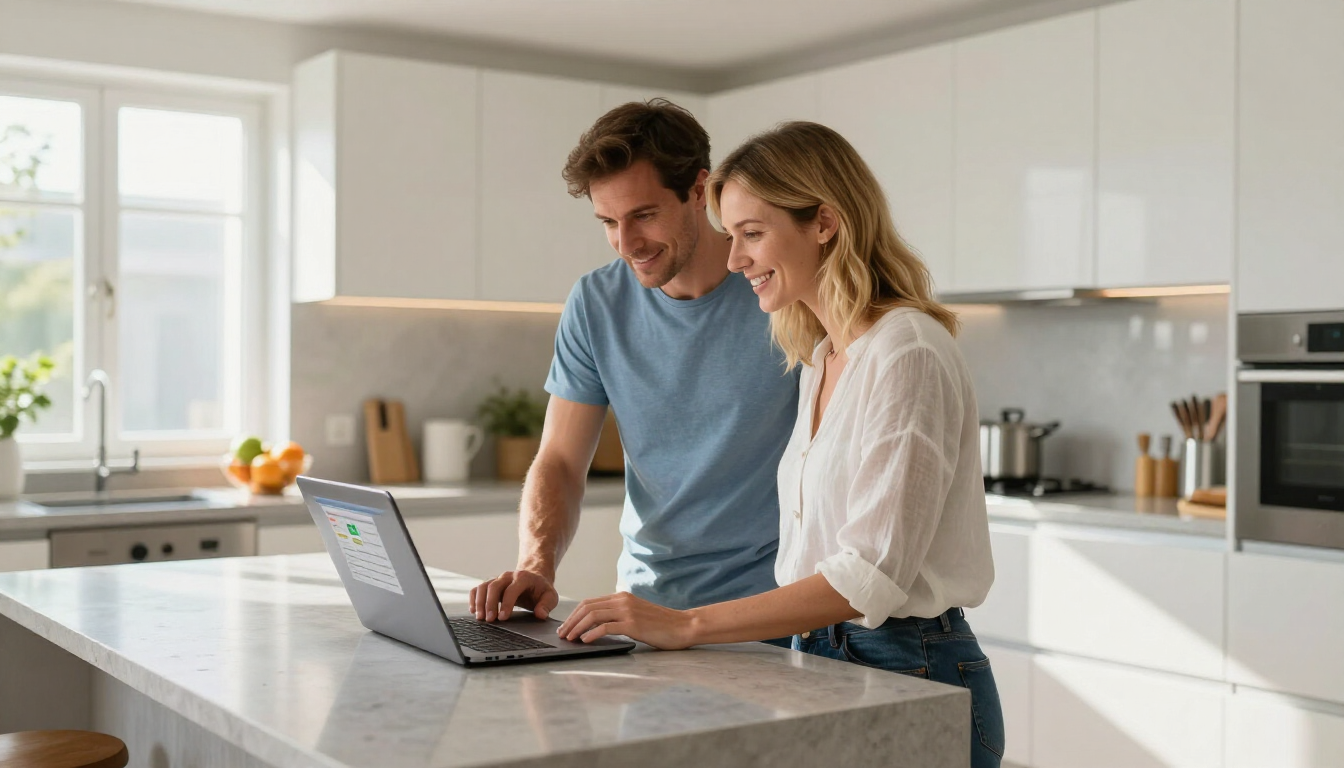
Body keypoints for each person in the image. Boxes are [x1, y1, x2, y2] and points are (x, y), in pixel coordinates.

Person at [554, 121, 1005, 767]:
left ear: (824, 222)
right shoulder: (823, 357)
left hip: (909, 666)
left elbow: (868, 577)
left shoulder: (906, 351)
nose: (736, 259)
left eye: (753, 234)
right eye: (733, 235)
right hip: (822, 659)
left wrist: (685, 624)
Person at [468, 100, 799, 640]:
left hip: (768, 616)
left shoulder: (783, 291)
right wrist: (536, 564)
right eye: (607, 222)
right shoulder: (596, 302)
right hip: (641, 615)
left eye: (643, 215)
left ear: (700, 190)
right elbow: (560, 459)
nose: (627, 244)